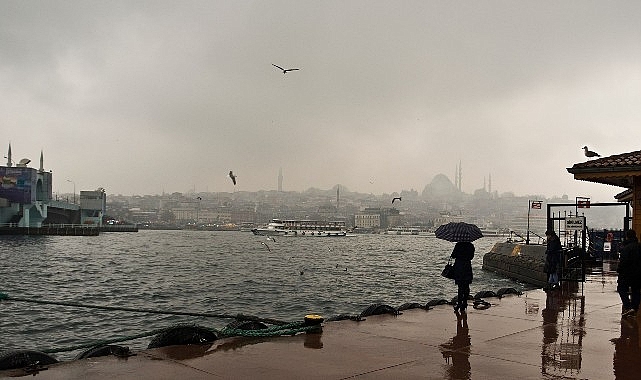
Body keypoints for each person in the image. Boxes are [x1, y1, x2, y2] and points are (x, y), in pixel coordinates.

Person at [617, 229, 641, 317]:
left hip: (626, 273)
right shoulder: (639, 246)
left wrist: (619, 270)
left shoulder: (626, 248)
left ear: (627, 237)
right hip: (638, 273)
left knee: (621, 289)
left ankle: (628, 306)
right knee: (636, 290)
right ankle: (635, 308)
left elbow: (623, 262)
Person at [451, 241, 475, 313]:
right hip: (467, 267)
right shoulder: (471, 245)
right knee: (466, 285)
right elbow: (471, 257)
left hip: (459, 266)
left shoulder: (458, 245)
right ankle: (464, 303)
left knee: (460, 286)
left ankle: (459, 304)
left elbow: (453, 255)